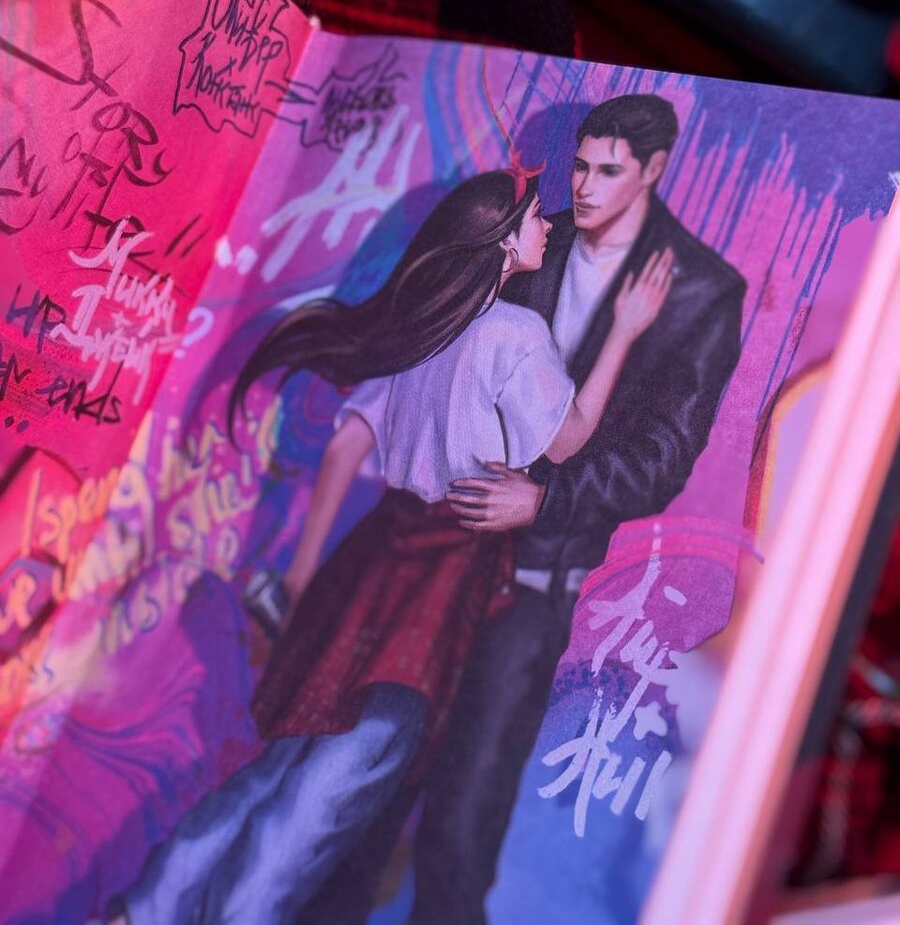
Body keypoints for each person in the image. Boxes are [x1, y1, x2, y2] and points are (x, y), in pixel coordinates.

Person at [102, 164, 672, 925]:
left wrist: (303, 574)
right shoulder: (514, 334)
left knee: (278, 764)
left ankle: (141, 910)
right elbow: (568, 444)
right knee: (325, 797)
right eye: (537, 216)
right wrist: (623, 335)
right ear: (505, 242)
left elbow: (346, 445)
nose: (547, 225)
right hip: (442, 575)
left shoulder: (424, 323)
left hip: (370, 562)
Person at [298, 93, 747, 925]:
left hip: (536, 580)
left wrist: (544, 501)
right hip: (427, 557)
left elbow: (661, 458)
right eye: (579, 166)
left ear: (652, 171)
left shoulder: (699, 291)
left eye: (607, 171)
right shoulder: (527, 238)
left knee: (462, 821)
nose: (584, 186)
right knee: (358, 794)